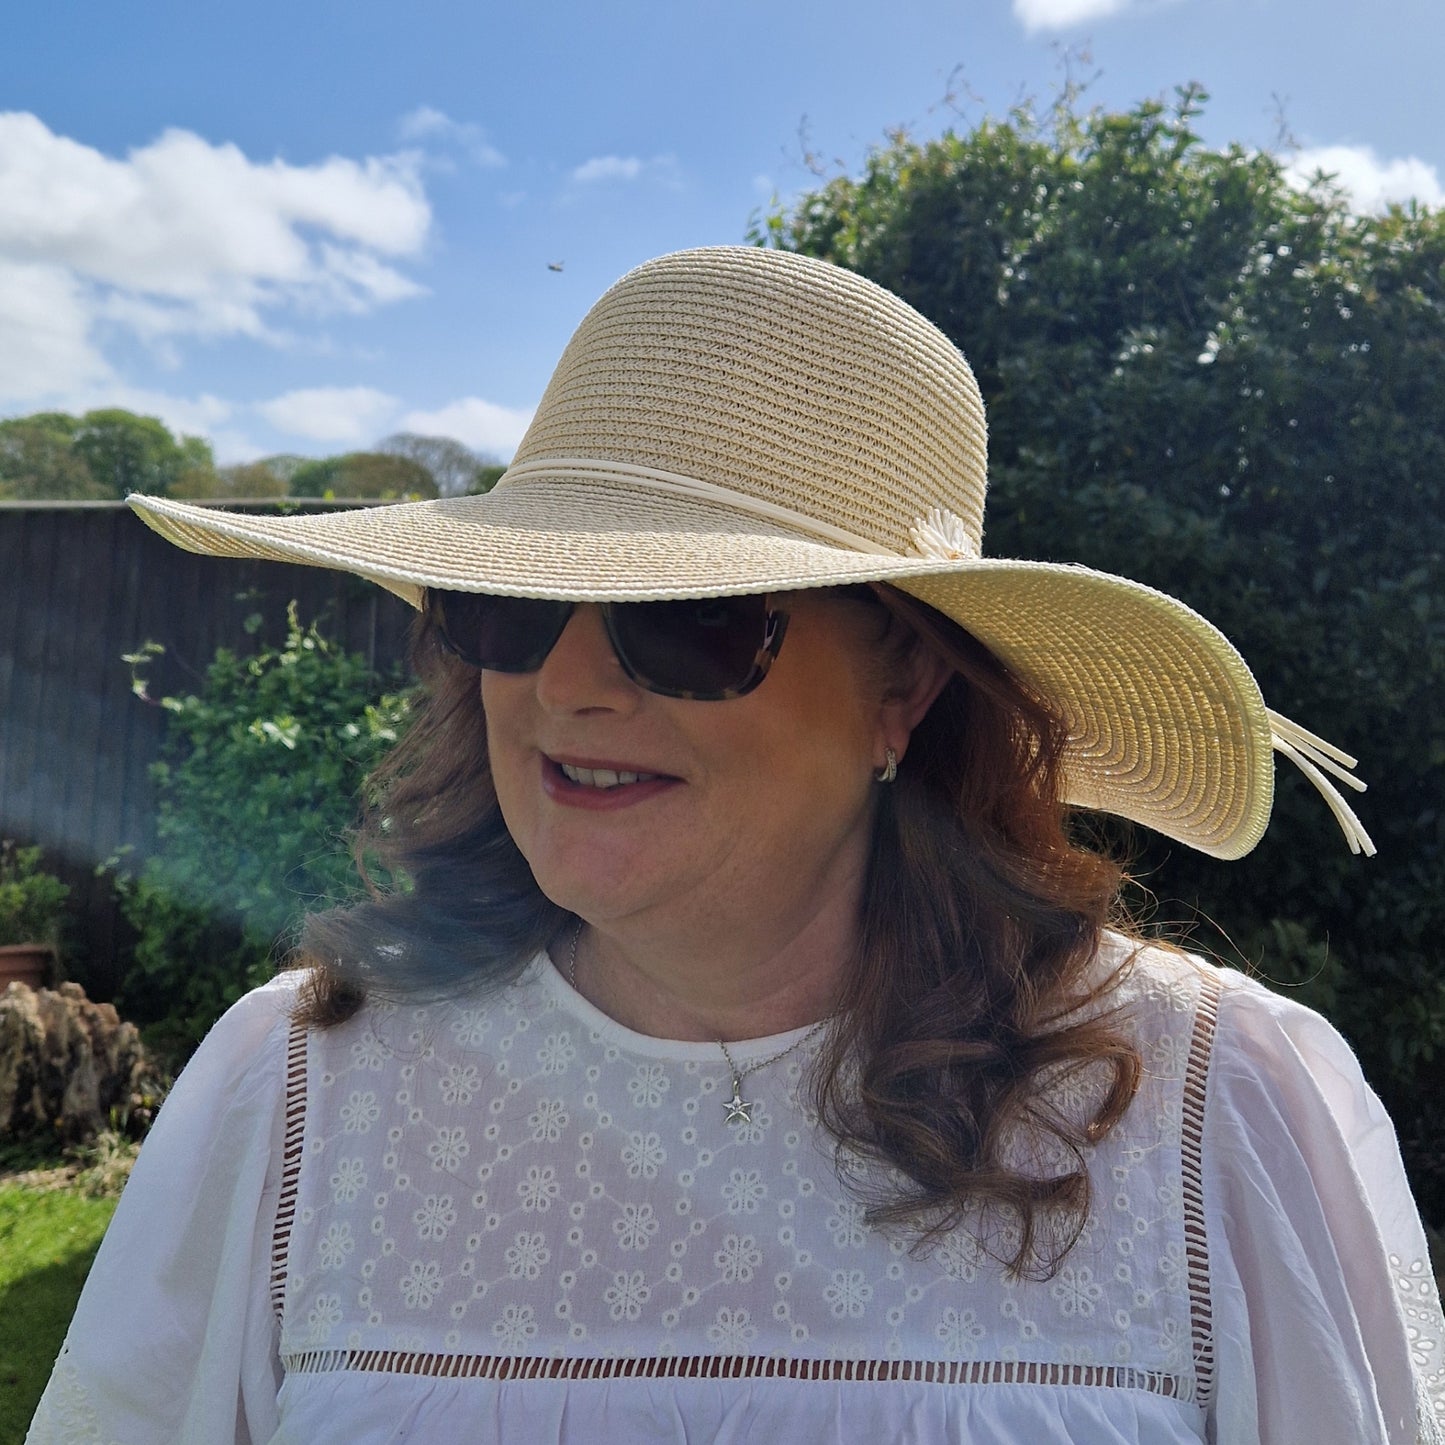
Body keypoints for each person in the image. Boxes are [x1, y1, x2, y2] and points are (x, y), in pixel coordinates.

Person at [29, 246, 1443, 1444]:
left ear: (904, 684)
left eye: (689, 621)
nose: (568, 684)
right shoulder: (296, 1094)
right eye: (509, 608)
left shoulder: (1205, 1111)